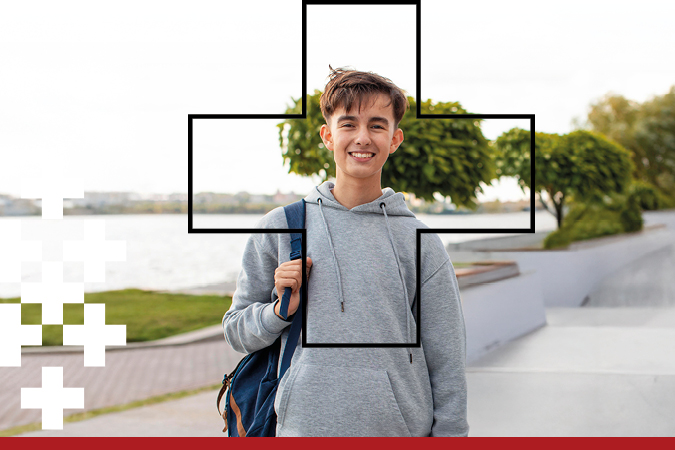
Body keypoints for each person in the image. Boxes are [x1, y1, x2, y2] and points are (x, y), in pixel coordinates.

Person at [223, 67, 468, 437]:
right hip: (301, 429)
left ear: (395, 138)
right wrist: (278, 312)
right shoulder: (281, 227)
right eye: (349, 124)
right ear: (327, 135)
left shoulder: (420, 240)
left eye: (377, 125)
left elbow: (446, 357)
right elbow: (236, 332)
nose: (362, 138)